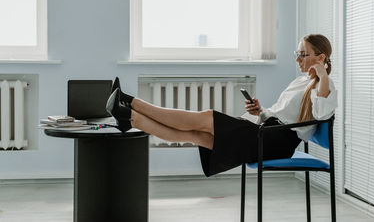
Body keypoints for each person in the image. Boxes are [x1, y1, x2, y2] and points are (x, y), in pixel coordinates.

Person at [106, 34, 337, 177]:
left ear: (321, 57)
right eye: (297, 54)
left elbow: (321, 114)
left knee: (205, 118)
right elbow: (284, 114)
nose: (298, 59)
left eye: (303, 54)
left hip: (275, 141)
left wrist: (322, 76)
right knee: (196, 135)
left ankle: (130, 101)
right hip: (267, 131)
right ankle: (130, 118)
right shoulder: (300, 81)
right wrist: (261, 111)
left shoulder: (326, 86)